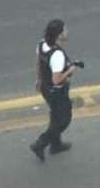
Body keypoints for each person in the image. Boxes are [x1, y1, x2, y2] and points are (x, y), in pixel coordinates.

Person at [29, 19, 82, 162]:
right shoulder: (57, 54)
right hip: (56, 91)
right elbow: (57, 79)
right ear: (59, 35)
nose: (67, 32)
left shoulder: (41, 45)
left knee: (55, 115)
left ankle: (56, 145)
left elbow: (39, 63)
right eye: (65, 30)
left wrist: (39, 79)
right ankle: (40, 143)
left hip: (45, 88)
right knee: (64, 120)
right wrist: (70, 70)